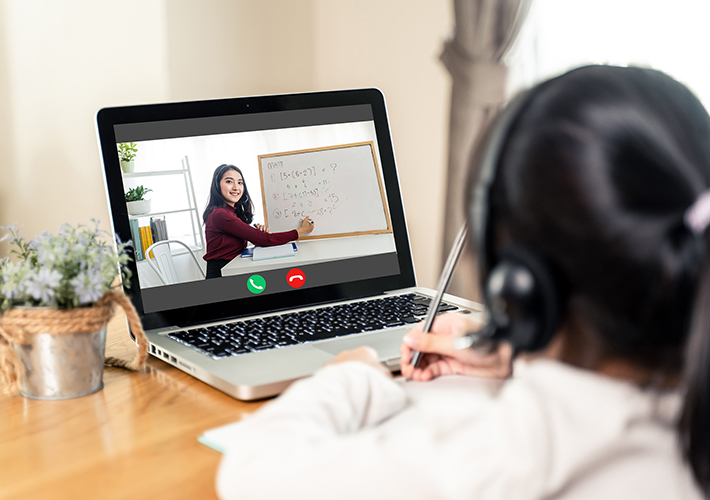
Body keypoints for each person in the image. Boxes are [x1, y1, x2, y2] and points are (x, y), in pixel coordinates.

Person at [214, 66, 710, 499]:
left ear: (521, 286)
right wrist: (511, 356)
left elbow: (250, 469)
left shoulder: (512, 459)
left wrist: (355, 373)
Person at [202, 164, 314, 279]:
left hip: (232, 269)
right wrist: (301, 231)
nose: (236, 187)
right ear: (217, 185)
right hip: (221, 274)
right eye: (229, 181)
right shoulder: (220, 214)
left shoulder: (231, 212)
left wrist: (257, 235)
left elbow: (253, 240)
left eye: (240, 183)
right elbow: (265, 240)